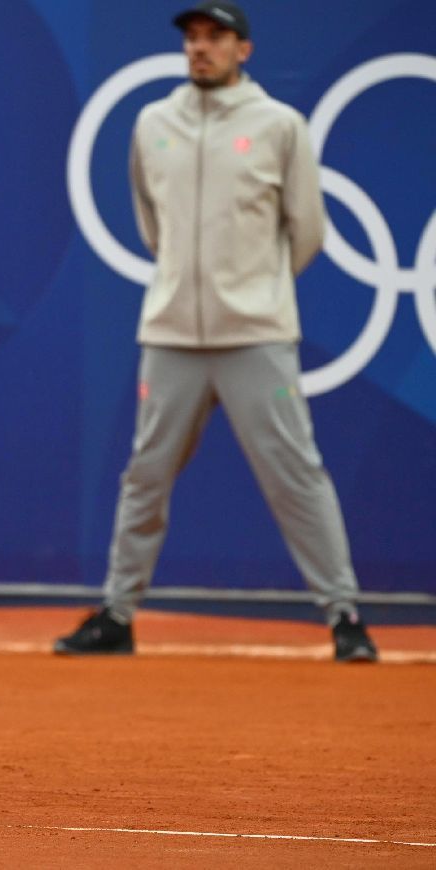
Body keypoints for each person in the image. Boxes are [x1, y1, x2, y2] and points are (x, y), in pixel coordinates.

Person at [55, 1, 378, 662]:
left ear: (244, 49)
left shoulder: (280, 126)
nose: (201, 48)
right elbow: (151, 225)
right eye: (193, 38)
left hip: (256, 334)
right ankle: (117, 614)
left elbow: (307, 230)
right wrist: (186, 280)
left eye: (216, 38)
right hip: (171, 333)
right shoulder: (153, 123)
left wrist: (253, 289)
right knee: (145, 474)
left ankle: (344, 615)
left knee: (297, 475)